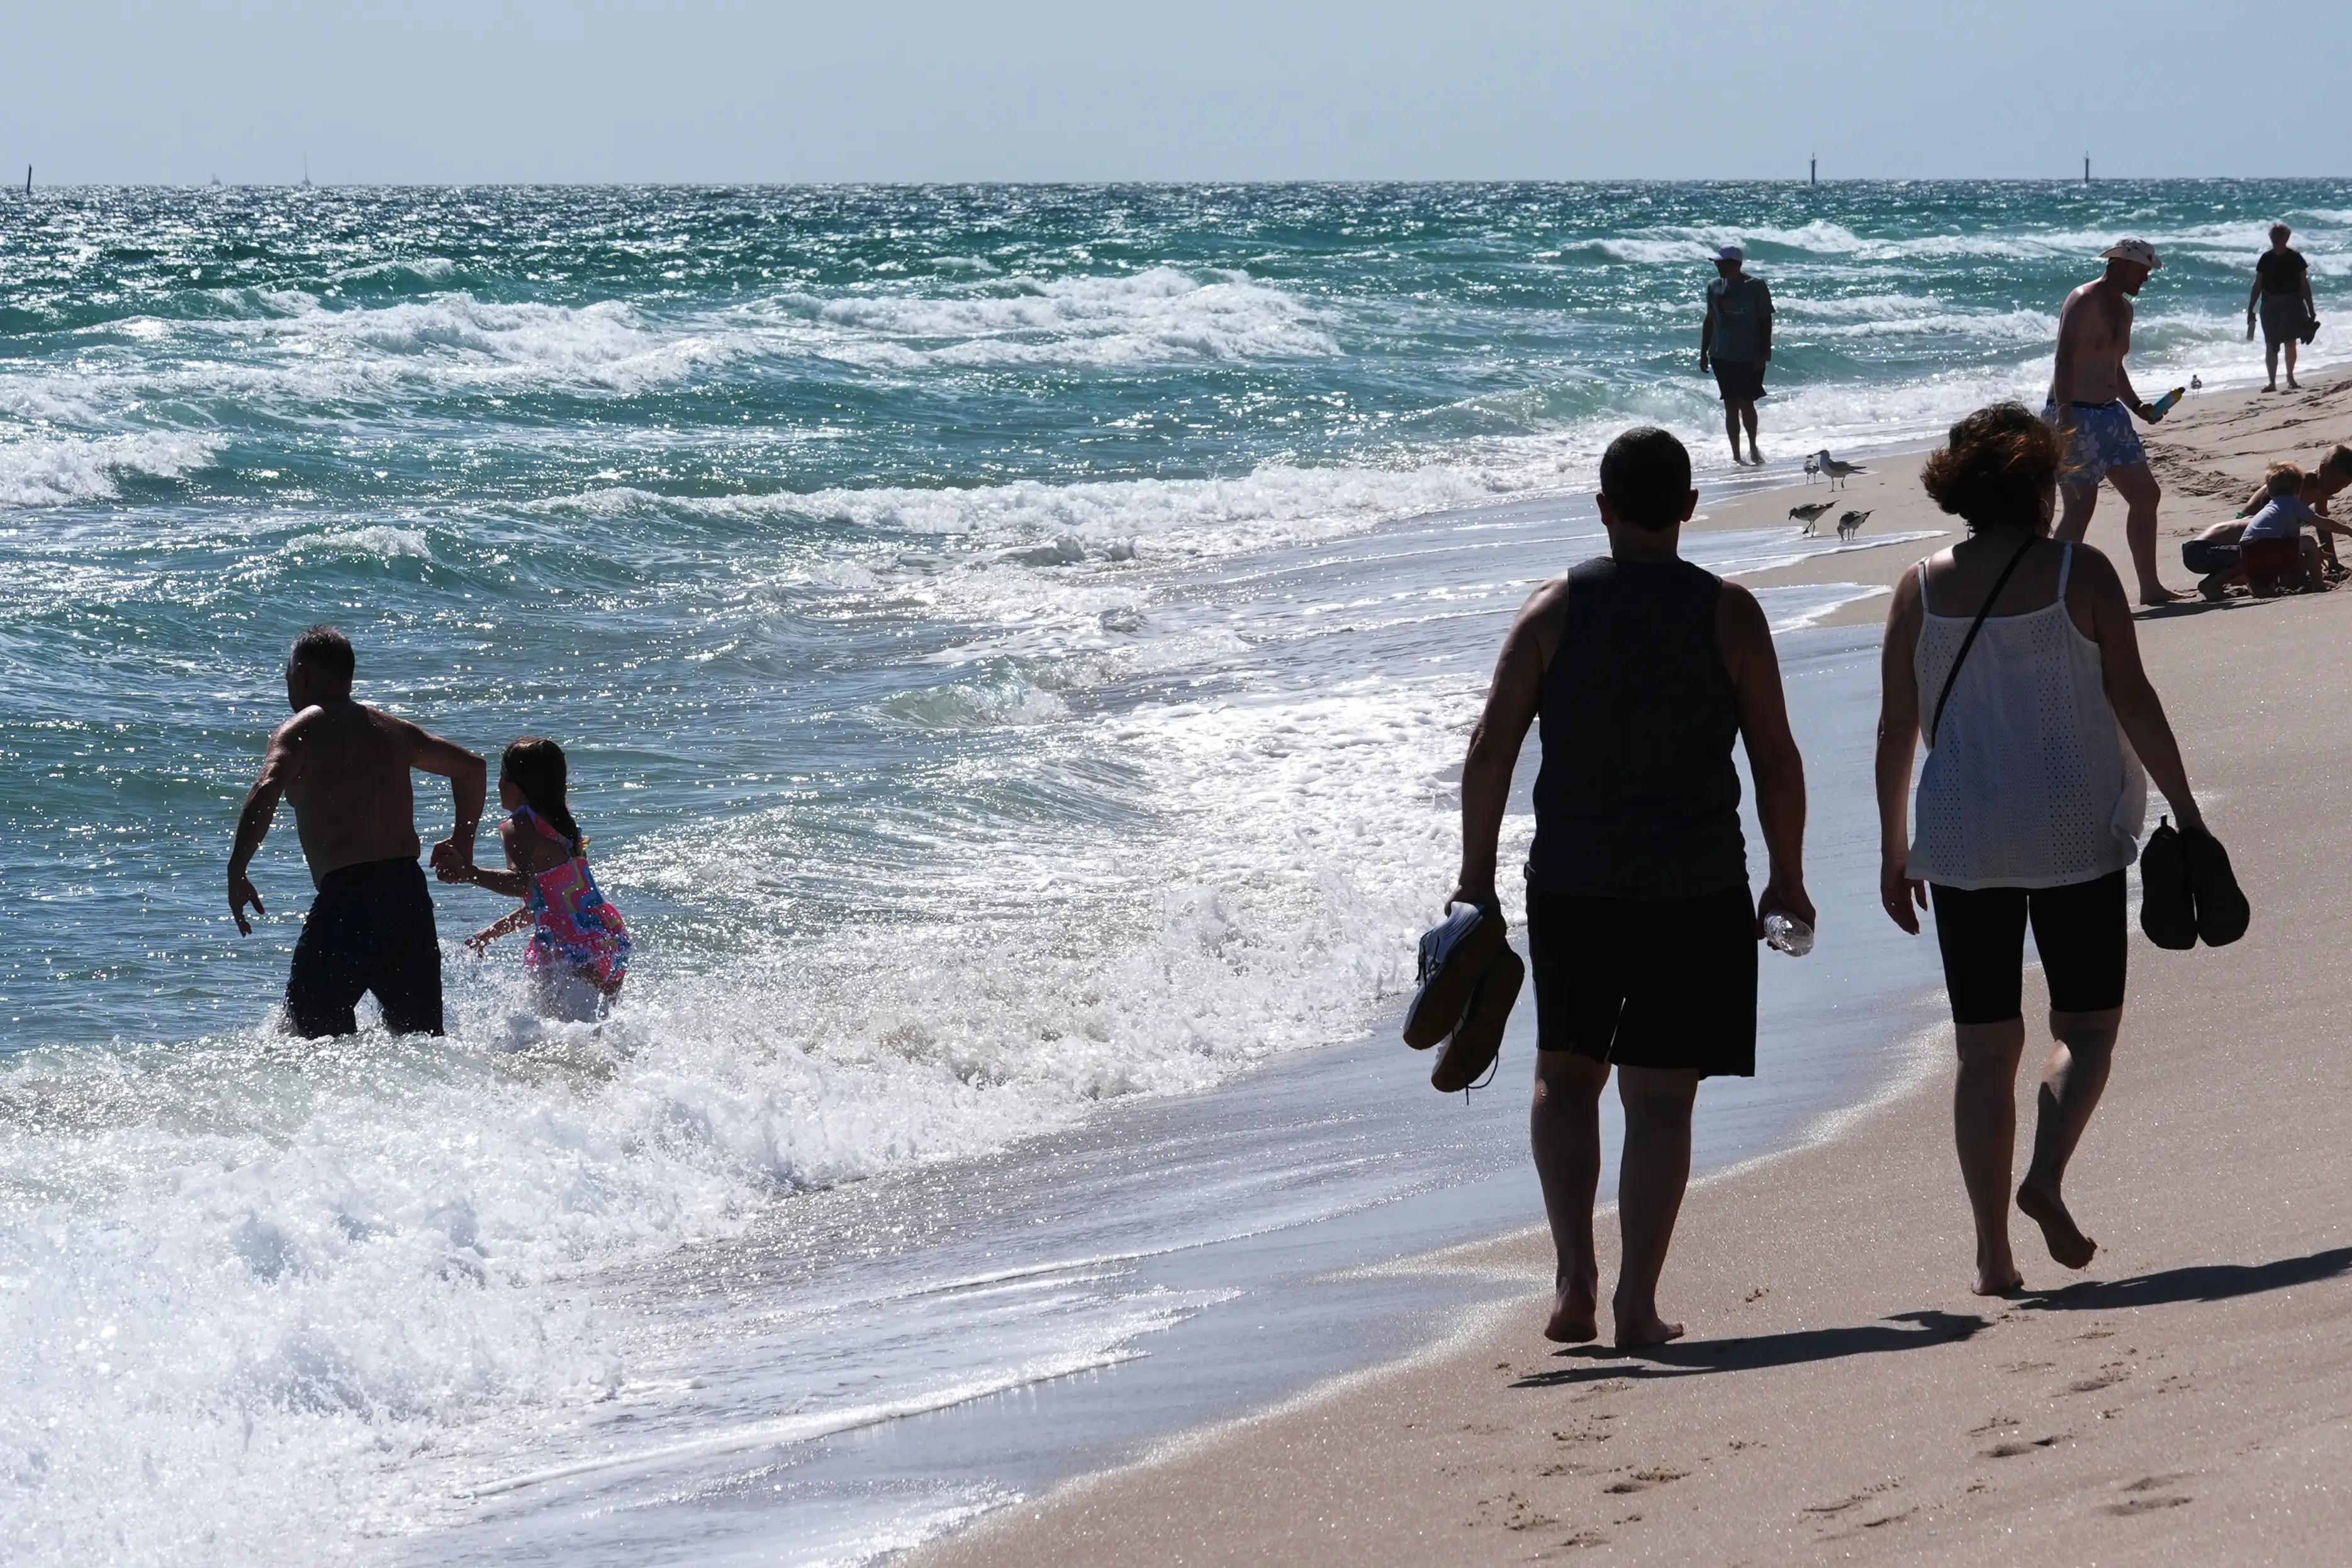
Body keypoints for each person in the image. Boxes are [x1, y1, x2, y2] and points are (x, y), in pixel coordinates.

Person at [1450, 427, 1812, 1347]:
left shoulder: (1552, 610)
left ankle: (1573, 1277)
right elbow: (1774, 760)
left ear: (1602, 507)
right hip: (1693, 884)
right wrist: (1786, 876)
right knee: (1660, 1097)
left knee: (1565, 1076)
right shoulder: (1729, 614)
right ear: (1689, 507)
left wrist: (1473, 881)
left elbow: (1491, 747)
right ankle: (1634, 1304)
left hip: (1574, 882)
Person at [1874, 403, 2207, 1294]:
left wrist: (1892, 846)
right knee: (2086, 1030)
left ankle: (1991, 1256)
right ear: (2037, 482)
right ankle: (2046, 1176)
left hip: (1961, 839)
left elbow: (1895, 730)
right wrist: (2186, 809)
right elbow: (2132, 699)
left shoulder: (1917, 585)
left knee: (1984, 1051)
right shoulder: (2082, 573)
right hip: (2074, 832)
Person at [228, 626, 486, 1037]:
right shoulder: (393, 730)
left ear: (304, 675)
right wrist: (463, 843)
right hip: (408, 901)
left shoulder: (300, 730)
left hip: (349, 904)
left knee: (308, 1037)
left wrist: (237, 869)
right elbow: (472, 768)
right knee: (422, 1042)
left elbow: (265, 790)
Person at [444, 737, 632, 1021]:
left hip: (568, 945)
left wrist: (469, 873)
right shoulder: (562, 823)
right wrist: (490, 934)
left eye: (500, 776)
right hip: (605, 935)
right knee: (601, 1028)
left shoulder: (518, 826)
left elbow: (521, 885)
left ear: (512, 785)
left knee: (563, 1034)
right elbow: (550, 905)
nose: (497, 786)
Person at [2047, 238, 2181, 605]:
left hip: (2112, 415)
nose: (2147, 279)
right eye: (2143, 270)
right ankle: (2047, 594)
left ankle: (2150, 589)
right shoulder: (2083, 299)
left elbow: (2114, 366)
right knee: (2079, 509)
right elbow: (2064, 358)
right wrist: (2064, 418)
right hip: (2075, 412)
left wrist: (2139, 407)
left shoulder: (2125, 308)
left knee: (2146, 495)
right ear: (2120, 263)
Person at [1700, 244, 1773, 468]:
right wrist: (1703, 353)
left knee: (1746, 402)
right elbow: (1710, 319)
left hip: (1748, 356)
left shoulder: (1756, 286)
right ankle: (1736, 456)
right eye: (1716, 263)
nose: (1717, 266)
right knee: (1730, 404)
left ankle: (1752, 446)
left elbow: (1765, 321)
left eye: (1721, 263)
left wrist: (1762, 354)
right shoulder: (1714, 286)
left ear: (1736, 264)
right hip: (1721, 355)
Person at [2237, 444, 2352, 576]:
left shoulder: (2322, 489)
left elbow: (2323, 525)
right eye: (2334, 483)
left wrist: (2333, 561)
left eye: (2342, 487)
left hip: (2271, 530)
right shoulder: (2299, 483)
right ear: (2322, 468)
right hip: (2247, 524)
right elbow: (2269, 509)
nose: (2335, 490)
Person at [2238, 464, 2329, 596]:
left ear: (2269, 492)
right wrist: (2348, 531)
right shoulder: (2294, 505)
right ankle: (2319, 586)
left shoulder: (2267, 509)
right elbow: (2321, 522)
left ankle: (2262, 588)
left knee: (2265, 591)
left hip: (2247, 554)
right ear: (2298, 490)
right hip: (2269, 549)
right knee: (2309, 542)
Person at [2246, 223, 2316, 393]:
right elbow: (2257, 285)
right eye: (2273, 238)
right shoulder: (2266, 259)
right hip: (2270, 305)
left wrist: (2311, 309)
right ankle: (2272, 382)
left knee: (2291, 342)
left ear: (2286, 239)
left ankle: (2290, 377)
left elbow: (2304, 285)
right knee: (2271, 343)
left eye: (2278, 238)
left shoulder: (2296, 258)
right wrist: (2250, 309)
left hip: (2292, 304)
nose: (2275, 241)